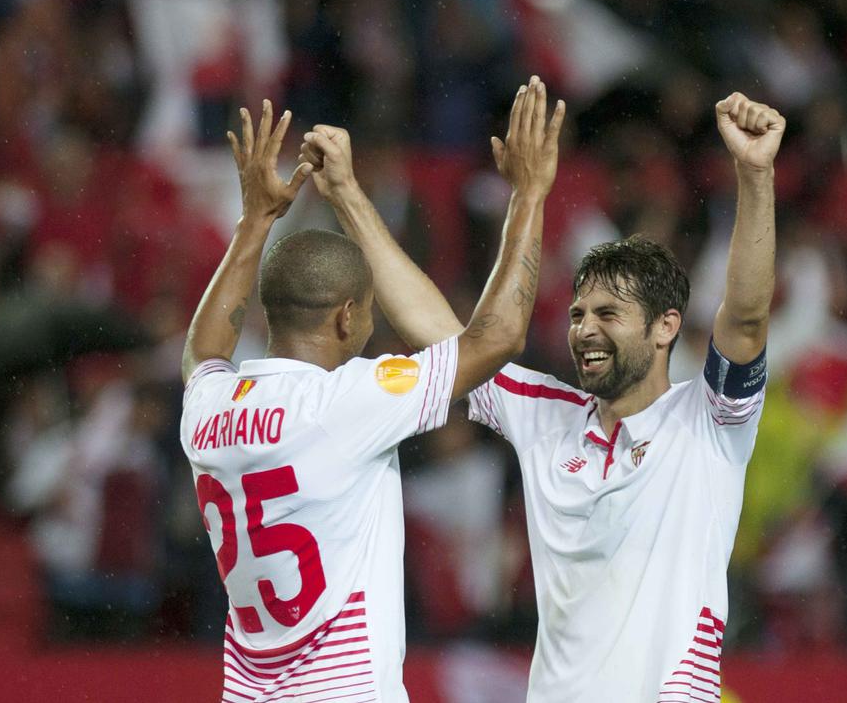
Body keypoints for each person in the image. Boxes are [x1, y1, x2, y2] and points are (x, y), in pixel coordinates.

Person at [311, 90, 782, 702]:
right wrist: (349, 196)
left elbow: (744, 319)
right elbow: (440, 333)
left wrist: (754, 172)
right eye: (579, 312)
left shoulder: (710, 422)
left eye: (609, 313)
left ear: (666, 326)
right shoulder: (544, 415)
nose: (585, 329)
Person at [180, 79, 565, 703]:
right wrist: (529, 193)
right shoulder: (348, 403)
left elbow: (203, 349)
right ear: (346, 319)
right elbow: (495, 338)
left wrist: (255, 222)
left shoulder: (208, 408)